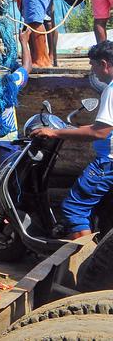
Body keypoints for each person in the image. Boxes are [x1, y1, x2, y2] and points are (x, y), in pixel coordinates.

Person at [33, 40, 113, 239]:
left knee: (73, 209)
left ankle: (84, 266)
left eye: (92, 65)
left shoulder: (111, 90)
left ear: (104, 64)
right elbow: (102, 127)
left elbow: (100, 133)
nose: (92, 70)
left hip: (108, 163)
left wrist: (56, 133)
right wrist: (71, 129)